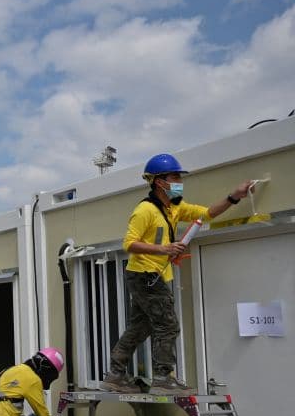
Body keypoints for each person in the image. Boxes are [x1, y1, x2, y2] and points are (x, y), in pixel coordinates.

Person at [102, 153, 254, 395]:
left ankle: (114, 376)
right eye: (174, 177)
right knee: (168, 325)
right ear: (159, 181)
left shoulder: (174, 208)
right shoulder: (144, 210)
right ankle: (162, 378)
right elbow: (129, 243)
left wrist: (234, 196)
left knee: (140, 328)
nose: (179, 182)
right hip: (145, 274)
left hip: (151, 274)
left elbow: (207, 214)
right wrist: (165, 249)